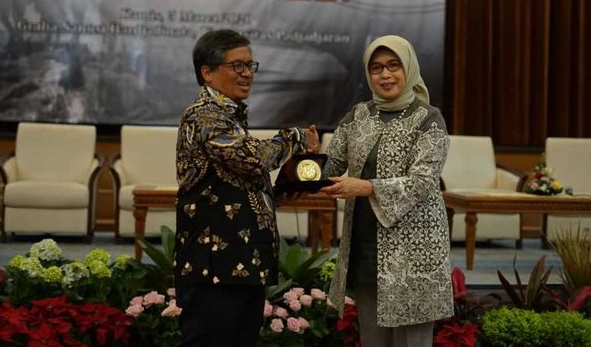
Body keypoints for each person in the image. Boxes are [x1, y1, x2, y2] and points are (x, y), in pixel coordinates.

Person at [174, 29, 319, 347]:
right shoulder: (204, 117)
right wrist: (294, 138)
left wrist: (280, 192)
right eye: (236, 65)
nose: (245, 74)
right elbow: (252, 158)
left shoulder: (232, 118)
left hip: (242, 263)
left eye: (250, 65)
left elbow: (238, 186)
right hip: (213, 268)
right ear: (207, 72)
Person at [320, 35, 453, 347]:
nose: (385, 74)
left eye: (394, 65)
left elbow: (423, 180)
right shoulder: (358, 116)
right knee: (373, 339)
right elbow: (331, 166)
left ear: (409, 68)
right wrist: (310, 157)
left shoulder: (428, 118)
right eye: (377, 68)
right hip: (366, 246)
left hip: (414, 252)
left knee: (412, 341)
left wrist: (365, 186)